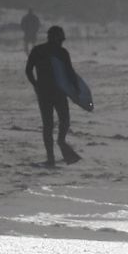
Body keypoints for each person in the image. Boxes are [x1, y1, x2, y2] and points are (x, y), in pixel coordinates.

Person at [24, 25, 82, 167]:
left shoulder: (38, 50)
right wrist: (76, 91)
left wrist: (36, 84)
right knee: (63, 121)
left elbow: (28, 71)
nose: (62, 42)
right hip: (57, 93)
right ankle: (59, 145)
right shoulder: (61, 52)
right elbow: (70, 74)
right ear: (56, 38)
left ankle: (51, 158)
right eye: (61, 39)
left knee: (48, 125)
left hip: (45, 92)